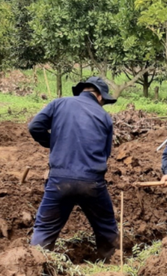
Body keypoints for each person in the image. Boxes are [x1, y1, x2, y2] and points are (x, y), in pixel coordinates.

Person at [29, 76, 119, 258]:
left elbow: (35, 126)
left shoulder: (58, 104)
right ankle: (112, 261)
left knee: (45, 227)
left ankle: (35, 263)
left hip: (59, 180)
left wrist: (54, 143)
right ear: (100, 97)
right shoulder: (104, 117)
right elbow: (105, 152)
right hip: (92, 181)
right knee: (106, 224)